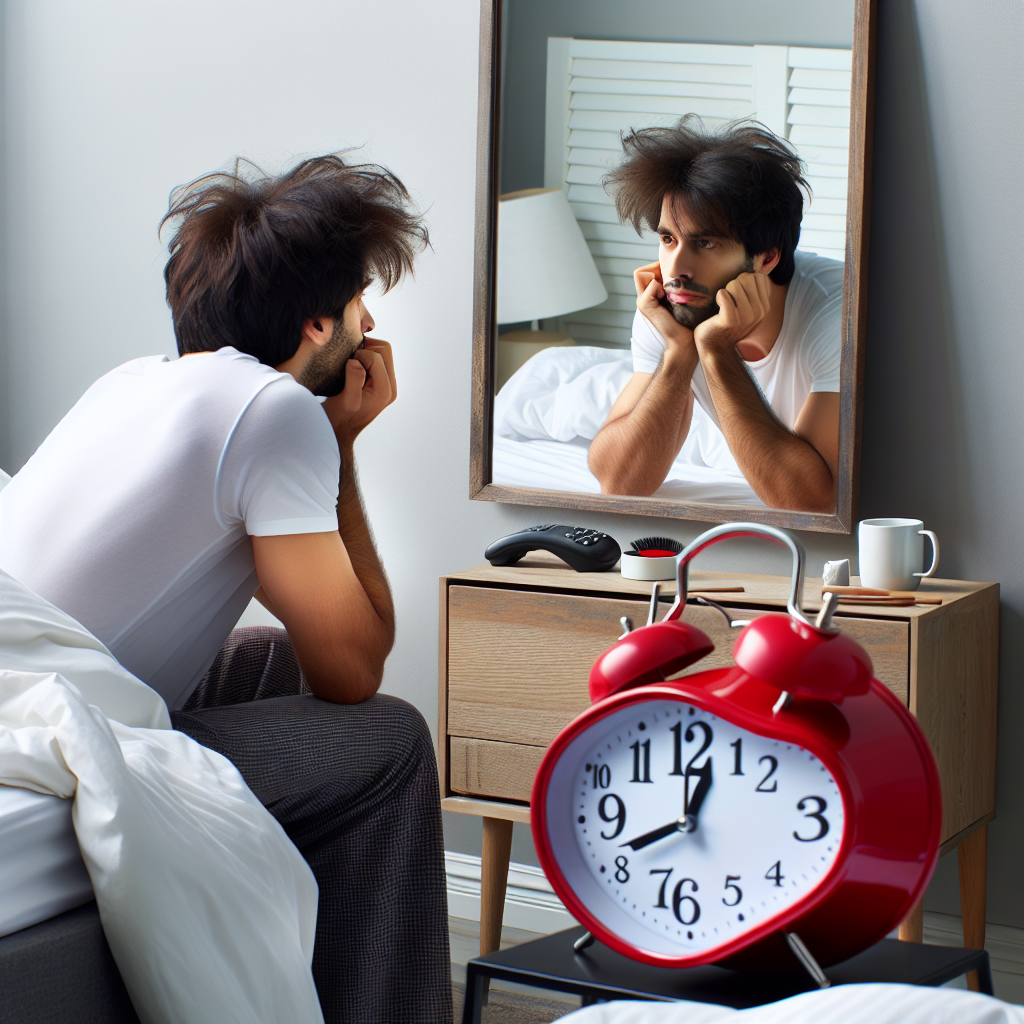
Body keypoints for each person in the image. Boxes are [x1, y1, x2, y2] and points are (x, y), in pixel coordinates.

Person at [0, 155, 451, 1024]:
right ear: (321, 324)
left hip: (30, 671)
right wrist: (344, 446)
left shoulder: (130, 381)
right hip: (47, 700)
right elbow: (355, 672)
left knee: (269, 658)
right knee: (390, 738)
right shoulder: (276, 413)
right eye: (361, 301)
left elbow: (310, 663)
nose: (369, 323)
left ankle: (298, 949)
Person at [587, 116, 843, 513]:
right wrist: (678, 351)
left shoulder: (836, 313)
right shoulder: (674, 304)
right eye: (668, 238)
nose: (676, 268)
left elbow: (814, 503)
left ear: (767, 257)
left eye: (705, 242)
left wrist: (717, 349)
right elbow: (620, 483)